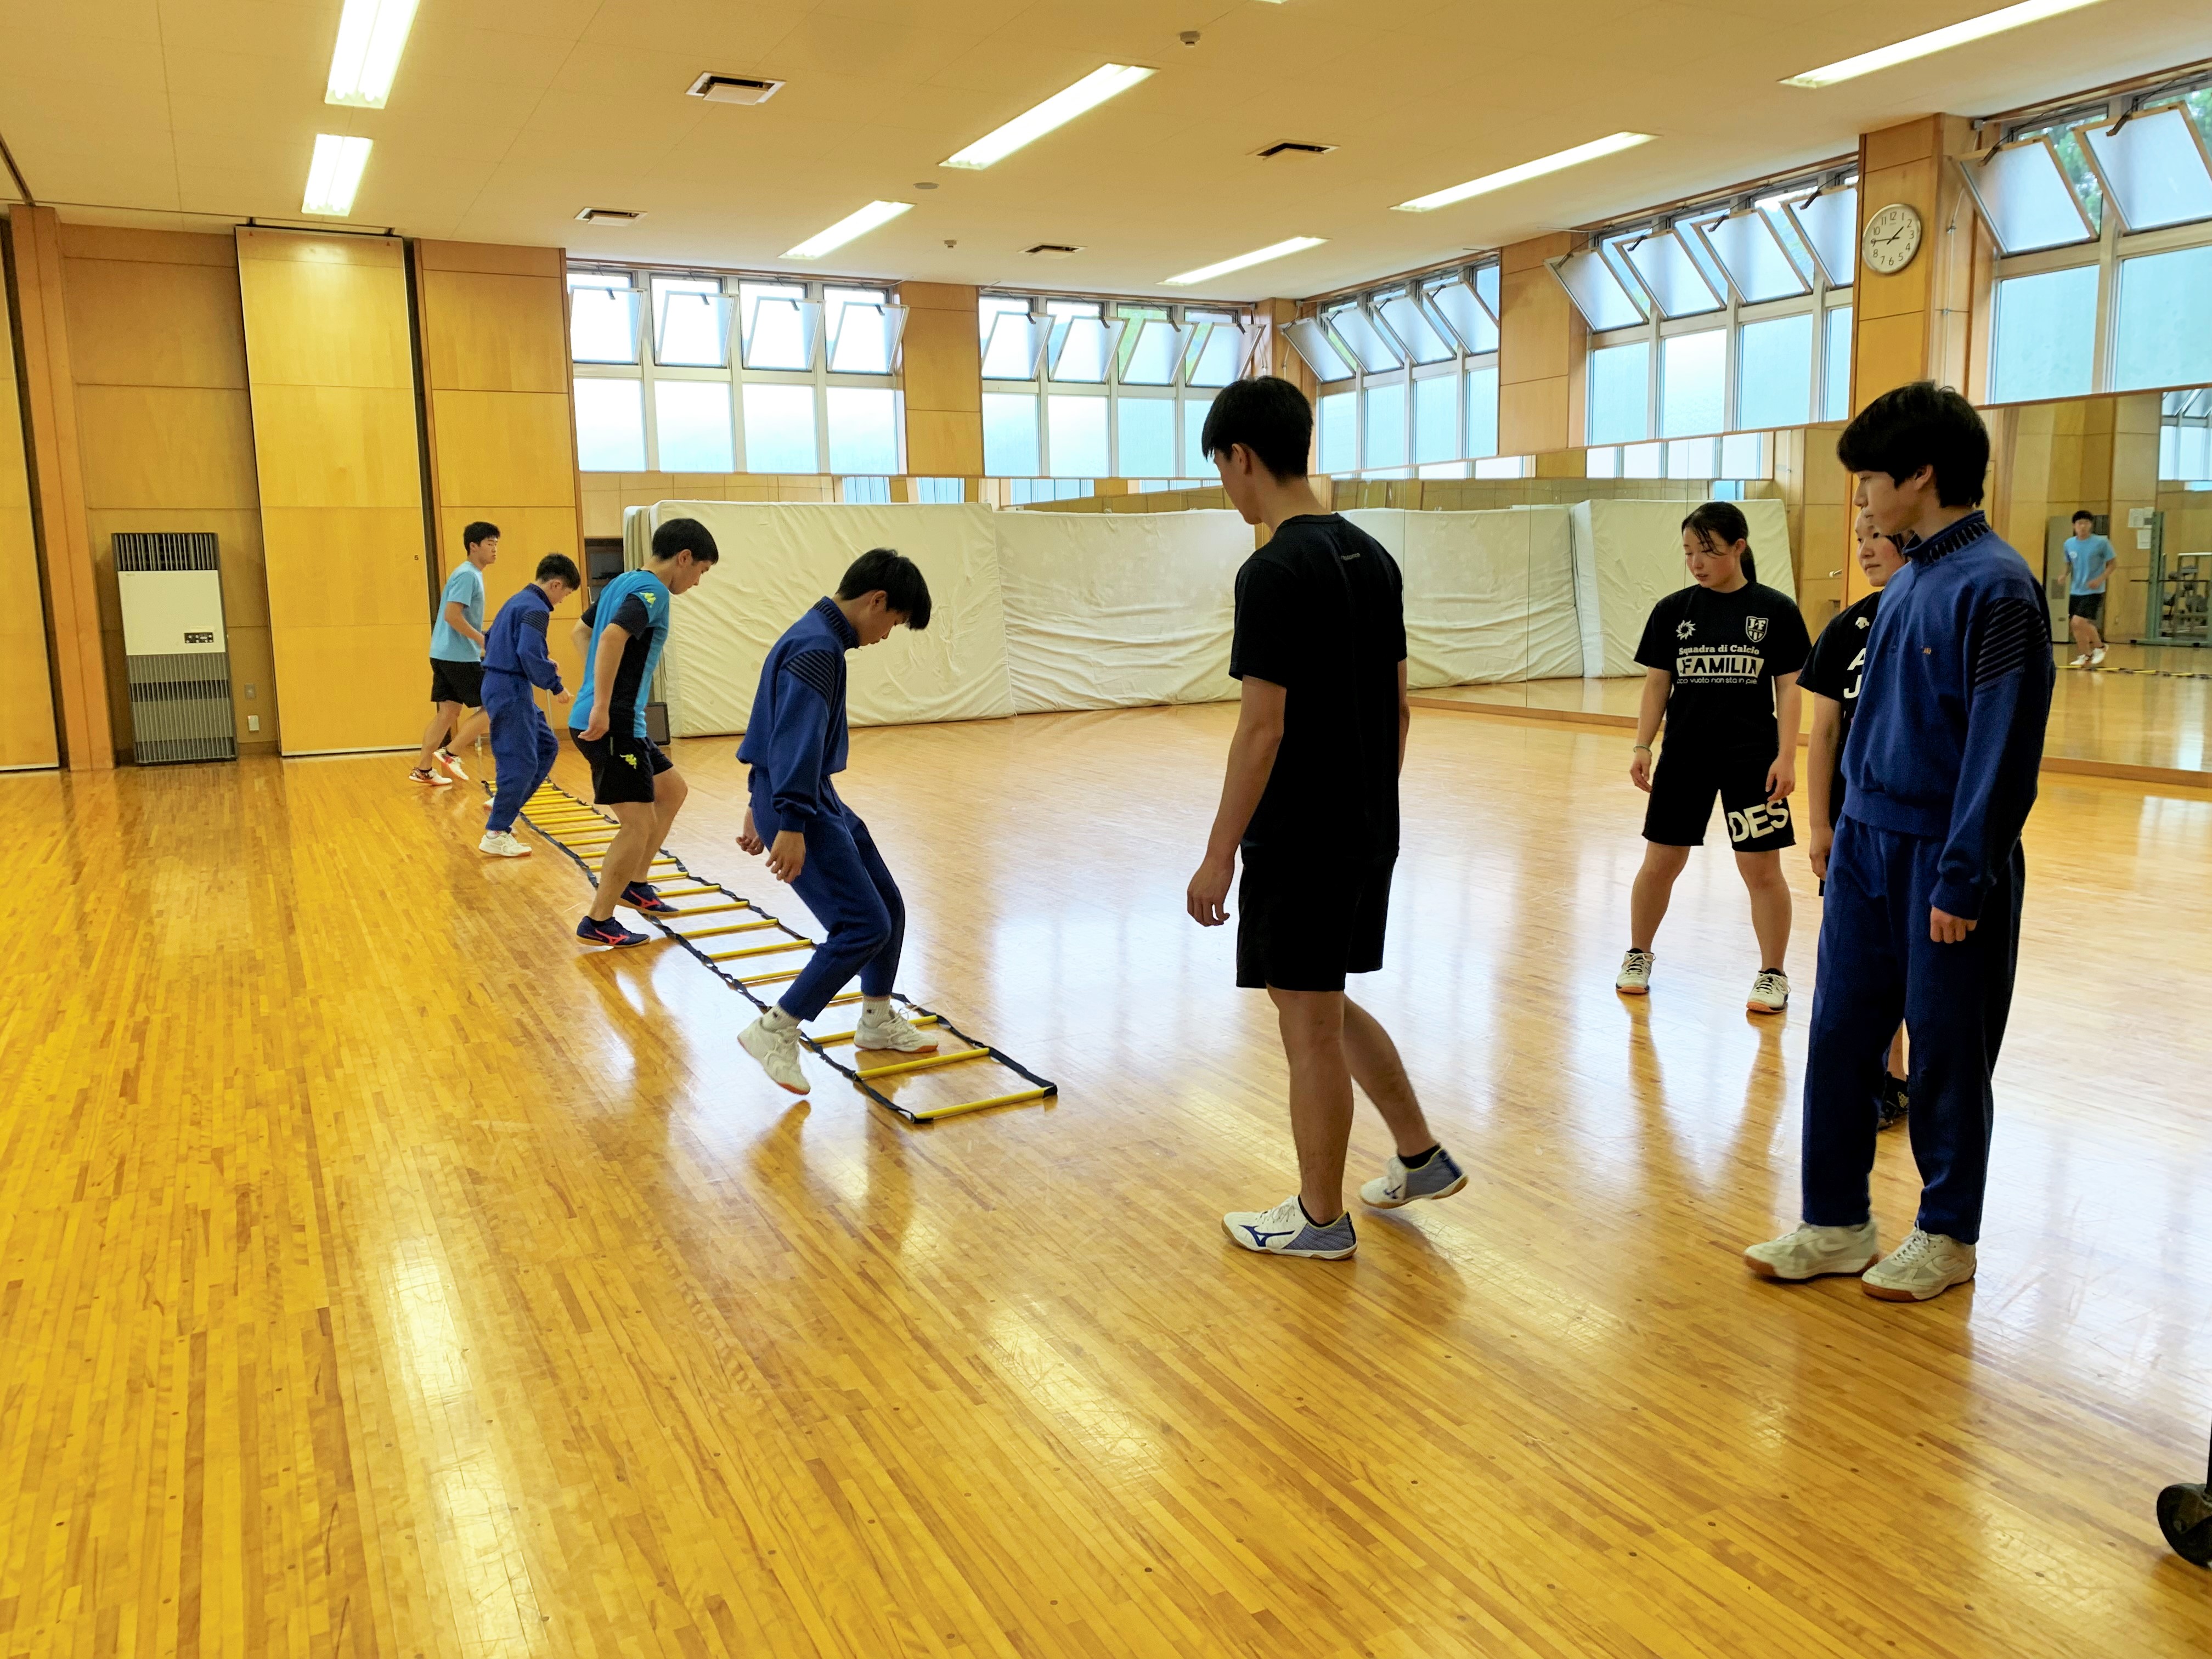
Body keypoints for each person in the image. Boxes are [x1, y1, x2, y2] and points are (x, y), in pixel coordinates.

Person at [1746, 381, 2052, 1303]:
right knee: (1840, 1035)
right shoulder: (1909, 578)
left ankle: (1947, 1232)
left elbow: (2002, 751)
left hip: (1945, 860)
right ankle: (1835, 1220)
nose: (1864, 502)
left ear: (1920, 474)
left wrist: (1963, 877)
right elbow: (1866, 721)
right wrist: (1837, 828)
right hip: (1869, 853)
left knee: (1949, 1051)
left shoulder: (1996, 586)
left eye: (1872, 479)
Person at [1184, 376, 1460, 1263]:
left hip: (1299, 836)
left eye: (1221, 470)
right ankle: (1417, 1153)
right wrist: (1368, 809)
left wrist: (1216, 853)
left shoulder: (1270, 570)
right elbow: (1401, 708)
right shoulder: (1373, 557)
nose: (1226, 489)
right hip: (1365, 825)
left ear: (1241, 455)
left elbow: (1261, 727)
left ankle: (1319, 1217)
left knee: (1305, 1021)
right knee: (1320, 1001)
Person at [733, 549, 941, 1093]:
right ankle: (774, 1030)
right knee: (863, 924)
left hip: (804, 794)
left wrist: (758, 799)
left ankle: (875, 1020)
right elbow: (796, 738)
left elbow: (773, 727)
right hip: (800, 802)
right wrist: (789, 822)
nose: (887, 635)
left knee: (887, 904)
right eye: (893, 622)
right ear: (876, 600)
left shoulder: (811, 636)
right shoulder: (818, 649)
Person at [1616, 503, 1810, 1013]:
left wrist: (1787, 757)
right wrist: (1643, 744)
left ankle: (1772, 973)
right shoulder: (1673, 611)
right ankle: (1638, 955)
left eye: (1708, 551)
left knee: (1761, 869)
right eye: (1688, 552)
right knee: (1661, 862)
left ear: (1739, 548)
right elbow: (1658, 682)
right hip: (1685, 757)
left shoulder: (1776, 611)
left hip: (1752, 759)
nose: (1697, 562)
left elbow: (1790, 690)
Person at [1801, 514, 1910, 1130]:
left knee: (1915, 955)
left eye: (1879, 536)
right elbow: (1822, 734)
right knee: (1865, 957)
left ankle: (1912, 1074)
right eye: (1861, 537)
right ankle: (1885, 1074)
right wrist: (1820, 825)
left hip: (1918, 828)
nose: (1867, 550)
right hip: (1855, 823)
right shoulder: (1848, 628)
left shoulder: (1938, 612)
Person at [568, 518, 719, 947]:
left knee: (672, 791)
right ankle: (598, 920)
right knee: (637, 824)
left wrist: (595, 688)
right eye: (701, 571)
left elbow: (581, 631)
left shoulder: (622, 582)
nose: (697, 582)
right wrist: (600, 702)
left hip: (621, 720)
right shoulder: (652, 591)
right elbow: (613, 635)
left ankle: (636, 883)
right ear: (684, 558)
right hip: (614, 724)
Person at [478, 552, 582, 859]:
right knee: (520, 762)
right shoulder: (537, 608)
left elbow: (496, 639)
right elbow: (527, 651)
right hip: (509, 688)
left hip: (505, 684)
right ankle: (496, 831)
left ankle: (504, 807)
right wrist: (556, 684)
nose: (562, 600)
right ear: (556, 584)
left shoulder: (517, 600)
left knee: (547, 745)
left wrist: (539, 661)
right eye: (565, 594)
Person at [413, 523, 501, 786]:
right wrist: (482, 640)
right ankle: (450, 753)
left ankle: (423, 769)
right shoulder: (468, 575)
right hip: (458, 655)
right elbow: (453, 615)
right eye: (489, 543)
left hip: (443, 653)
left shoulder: (470, 574)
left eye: (496, 543)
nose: (495, 549)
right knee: (495, 704)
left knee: (448, 712)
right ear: (473, 546)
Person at [2063, 509, 2115, 668]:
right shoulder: (2069, 544)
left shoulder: (2101, 543)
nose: (2083, 526)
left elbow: (2113, 564)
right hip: (2076, 590)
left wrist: (2100, 579)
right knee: (2074, 624)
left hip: (2094, 590)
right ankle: (2086, 654)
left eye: (2086, 523)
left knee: (2080, 621)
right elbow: (2068, 563)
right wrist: (2063, 575)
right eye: (2080, 523)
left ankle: (2100, 646)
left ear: (2091, 525)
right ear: (2074, 526)